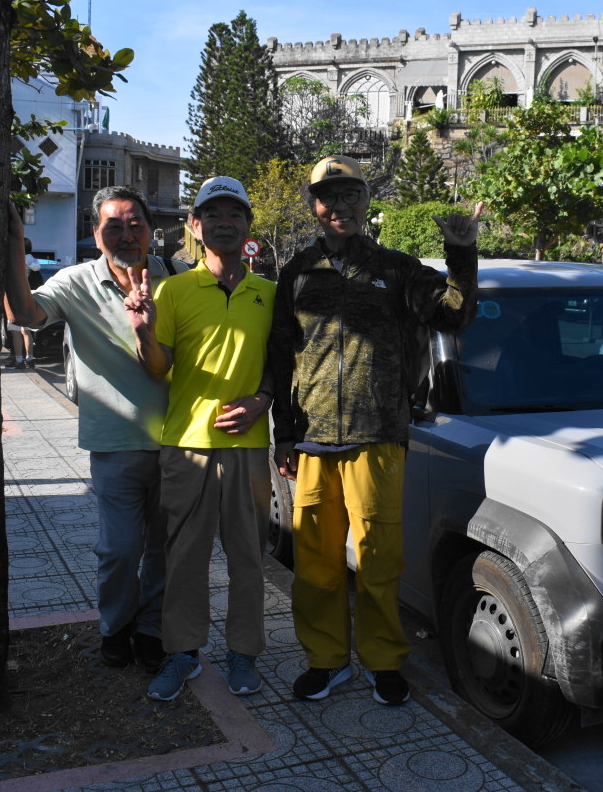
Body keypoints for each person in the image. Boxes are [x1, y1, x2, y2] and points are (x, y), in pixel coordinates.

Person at [269, 155, 482, 706]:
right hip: (313, 438)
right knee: (315, 564)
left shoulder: (397, 269)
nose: (338, 205)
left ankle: (383, 660)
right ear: (314, 206)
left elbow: (453, 315)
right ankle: (326, 660)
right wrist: (283, 435)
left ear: (366, 201)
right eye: (327, 196)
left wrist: (462, 255)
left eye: (350, 194)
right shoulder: (297, 272)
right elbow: (281, 354)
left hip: (379, 435)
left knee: (378, 560)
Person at [4, 185, 186, 676]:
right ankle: (116, 626)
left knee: (166, 550)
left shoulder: (179, 277)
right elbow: (24, 315)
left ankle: (152, 630)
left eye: (135, 224)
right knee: (120, 550)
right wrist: (14, 246)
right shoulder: (75, 282)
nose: (127, 234)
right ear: (95, 232)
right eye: (114, 226)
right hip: (115, 442)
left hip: (178, 442)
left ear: (151, 229)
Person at [127, 176, 275, 701]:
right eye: (212, 214)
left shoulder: (269, 294)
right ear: (195, 225)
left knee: (248, 559)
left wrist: (262, 399)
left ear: (248, 225)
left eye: (234, 213)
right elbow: (157, 368)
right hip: (186, 445)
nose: (224, 222)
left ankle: (243, 653)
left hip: (248, 448)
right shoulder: (173, 290)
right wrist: (143, 331)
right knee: (184, 558)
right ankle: (182, 653)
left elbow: (280, 364)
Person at [6, 238, 42, 369]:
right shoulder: (32, 260)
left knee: (16, 331)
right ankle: (30, 358)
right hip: (28, 297)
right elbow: (37, 269)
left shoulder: (13, 259)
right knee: (27, 330)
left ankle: (19, 360)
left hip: (14, 298)